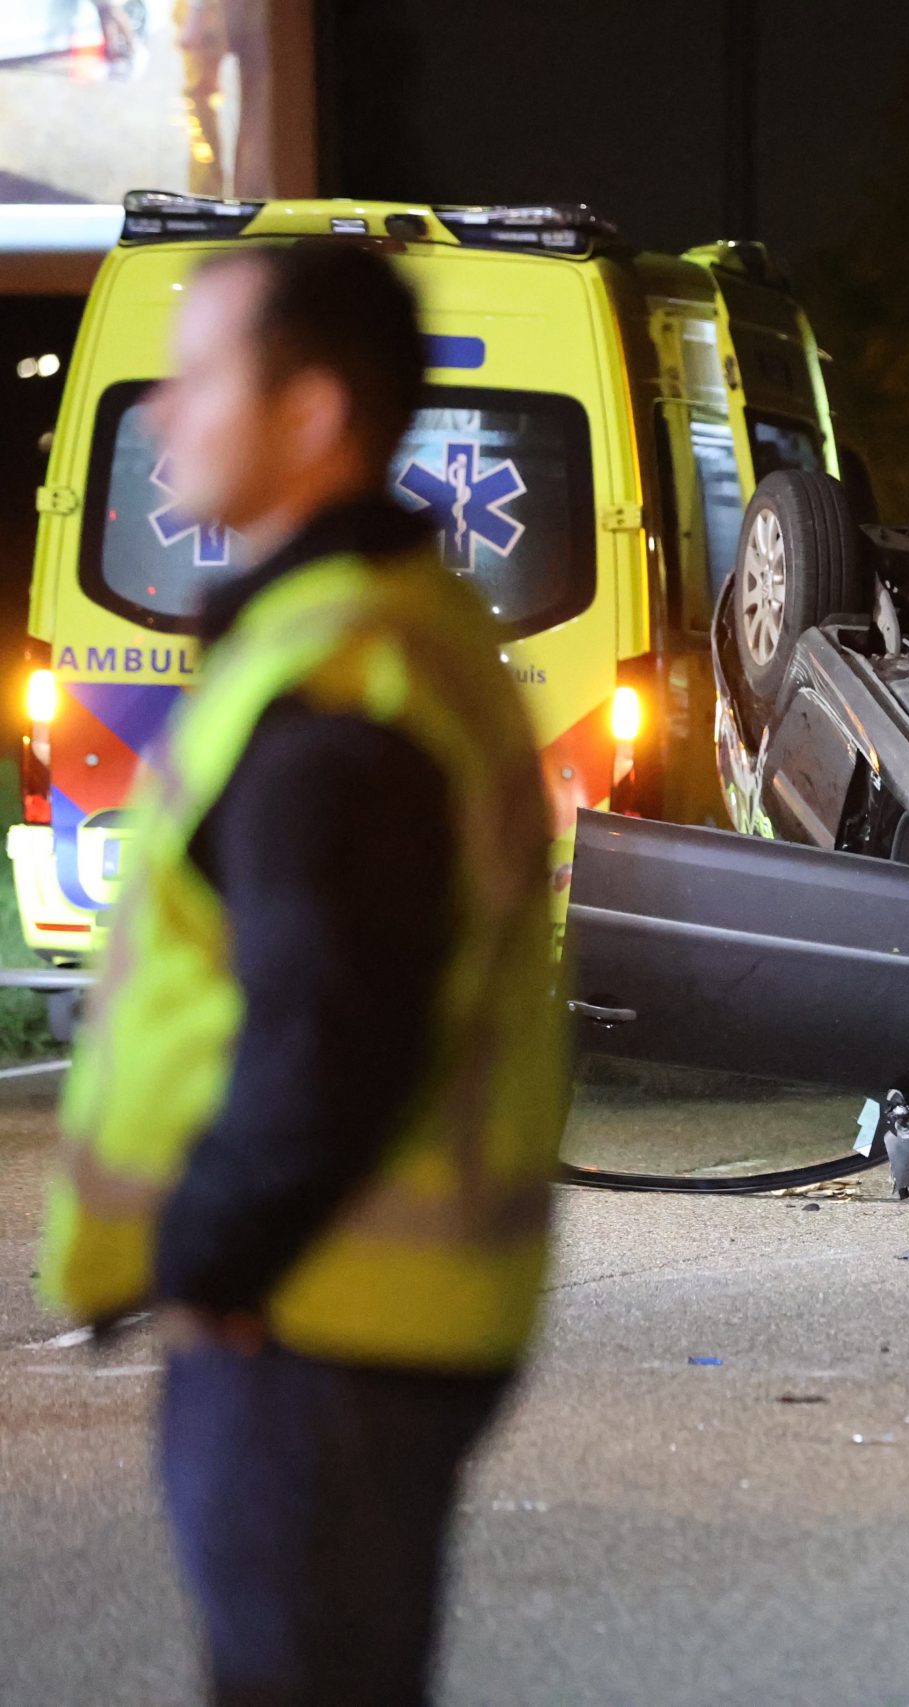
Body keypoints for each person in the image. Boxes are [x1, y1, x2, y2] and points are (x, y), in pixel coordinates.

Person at [37, 242, 569, 1705]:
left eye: (200, 376)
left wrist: (211, 1256)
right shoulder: (378, 633)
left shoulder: (336, 677)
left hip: (313, 1321)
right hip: (351, 1317)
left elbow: (334, 1028)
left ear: (315, 414)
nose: (158, 416)